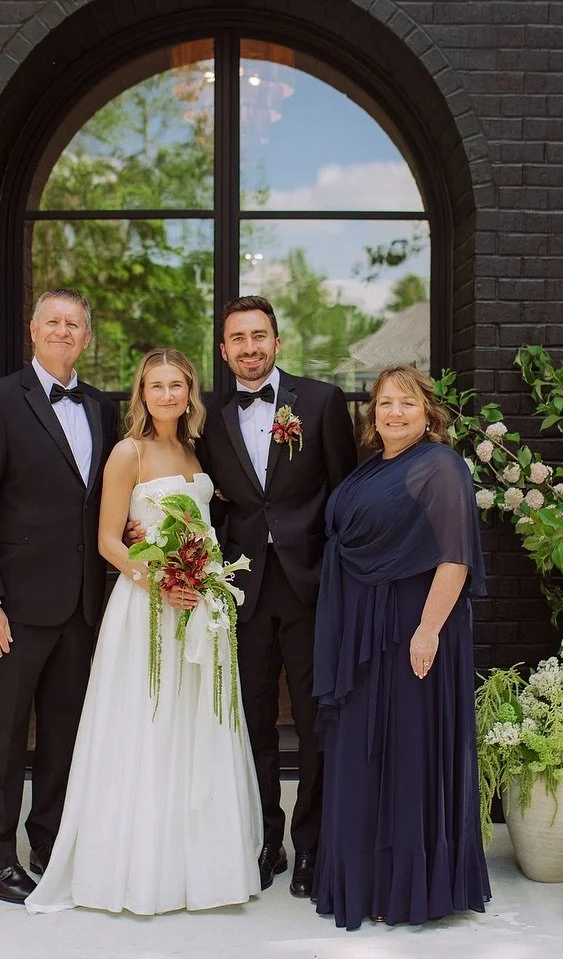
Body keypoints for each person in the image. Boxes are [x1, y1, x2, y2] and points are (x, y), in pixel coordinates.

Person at [26, 348, 262, 915]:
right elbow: (110, 539)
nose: (166, 395)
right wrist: (156, 580)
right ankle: (138, 866)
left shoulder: (195, 450)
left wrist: (202, 579)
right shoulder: (126, 453)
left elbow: (208, 523)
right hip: (147, 608)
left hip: (199, 606)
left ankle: (198, 865)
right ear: (141, 393)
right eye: (155, 386)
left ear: (189, 393)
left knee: (197, 724)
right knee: (146, 723)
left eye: (175, 385)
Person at [312, 364, 490, 931]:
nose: (393, 412)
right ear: (372, 415)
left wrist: (427, 629)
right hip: (364, 633)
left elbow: (455, 558)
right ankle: (365, 880)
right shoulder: (375, 467)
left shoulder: (439, 465)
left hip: (411, 633)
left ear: (428, 412)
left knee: (406, 752)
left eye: (406, 404)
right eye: (384, 403)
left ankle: (405, 887)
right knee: (367, 753)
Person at [0, 289, 117, 905]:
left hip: (80, 605)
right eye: (53, 321)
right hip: (14, 606)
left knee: (63, 732)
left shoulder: (101, 408)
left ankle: (47, 842)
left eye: (74, 323)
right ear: (32, 329)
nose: (63, 331)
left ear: (86, 336)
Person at [198, 296, 358, 897]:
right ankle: (268, 840)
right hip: (243, 591)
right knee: (253, 724)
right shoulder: (208, 417)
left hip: (311, 589)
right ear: (223, 350)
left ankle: (311, 846)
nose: (249, 348)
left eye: (258, 336)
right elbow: (211, 503)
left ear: (277, 341)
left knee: (315, 724)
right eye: (237, 338)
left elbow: (343, 495)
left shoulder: (318, 403)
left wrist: (340, 578)